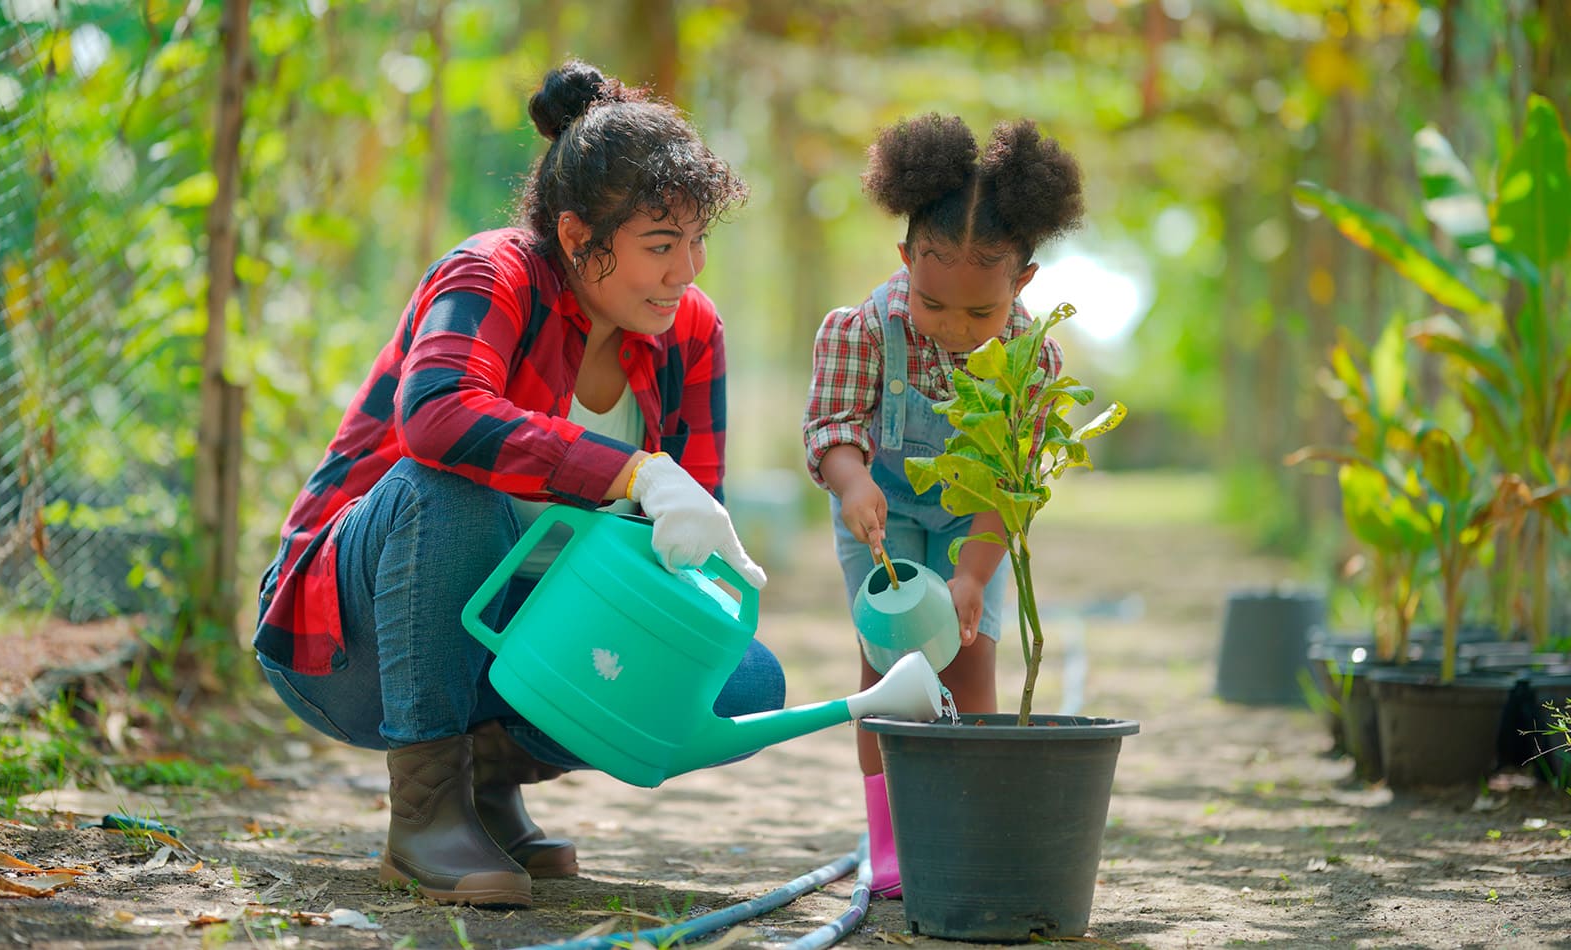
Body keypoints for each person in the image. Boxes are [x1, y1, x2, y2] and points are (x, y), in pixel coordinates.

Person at [252, 59, 782, 909]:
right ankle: (425, 811)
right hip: (356, 641)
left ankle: (488, 784)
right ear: (577, 238)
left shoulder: (690, 330)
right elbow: (438, 418)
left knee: (741, 677)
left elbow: (677, 530)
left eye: (695, 241)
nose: (687, 269)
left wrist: (699, 560)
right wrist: (633, 470)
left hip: (514, 635)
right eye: (659, 245)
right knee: (450, 485)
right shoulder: (490, 274)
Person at [802, 113, 1084, 898]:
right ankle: (889, 840)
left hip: (974, 518)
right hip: (879, 511)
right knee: (886, 661)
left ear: (1022, 283)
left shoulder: (1034, 360)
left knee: (969, 657)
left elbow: (1009, 487)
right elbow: (832, 427)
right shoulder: (861, 331)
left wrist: (973, 574)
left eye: (980, 314)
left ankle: (963, 824)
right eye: (935, 307)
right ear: (905, 261)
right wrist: (852, 480)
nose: (956, 331)